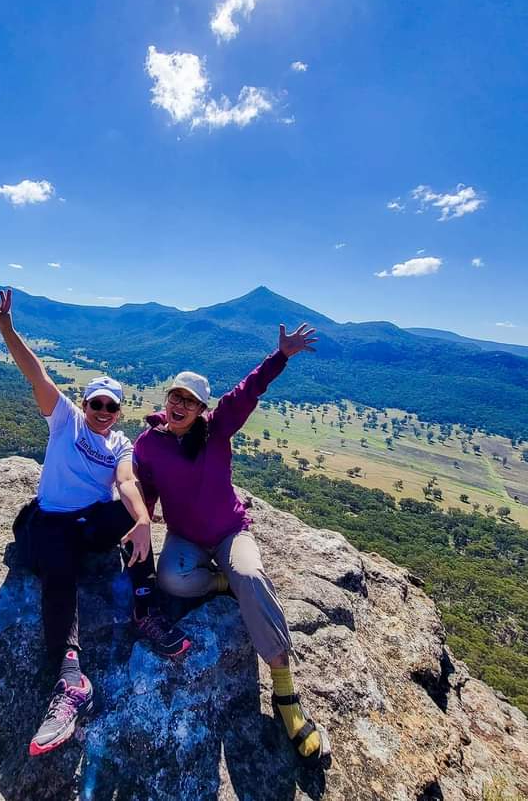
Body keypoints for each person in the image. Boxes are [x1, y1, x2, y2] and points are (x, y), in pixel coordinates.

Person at [0, 289, 190, 757]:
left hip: (88, 525)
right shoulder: (66, 420)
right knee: (59, 572)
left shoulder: (120, 444)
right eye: (96, 404)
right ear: (85, 403)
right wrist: (7, 330)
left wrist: (141, 519)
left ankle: (144, 611)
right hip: (51, 524)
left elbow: (125, 481)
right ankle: (70, 678)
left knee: (132, 515)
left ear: (119, 411)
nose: (102, 413)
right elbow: (34, 372)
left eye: (110, 407)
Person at [133, 322, 331, 761]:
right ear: (165, 401)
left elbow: (246, 391)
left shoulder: (217, 429)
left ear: (202, 408)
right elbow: (143, 487)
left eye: (190, 401)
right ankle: (224, 585)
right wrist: (141, 522)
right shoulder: (149, 444)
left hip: (229, 533)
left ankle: (285, 693)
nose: (180, 405)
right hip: (186, 538)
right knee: (171, 581)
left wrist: (279, 357)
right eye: (175, 397)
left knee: (250, 572)